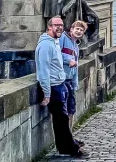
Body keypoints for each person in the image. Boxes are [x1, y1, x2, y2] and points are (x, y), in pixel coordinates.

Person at [36, 16, 84, 158]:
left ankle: (66, 147)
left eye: (61, 25)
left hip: (59, 84)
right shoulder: (45, 45)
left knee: (61, 119)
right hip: (53, 87)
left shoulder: (55, 42)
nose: (59, 28)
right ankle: (70, 148)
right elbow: (43, 71)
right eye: (56, 25)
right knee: (61, 119)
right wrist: (47, 93)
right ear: (49, 27)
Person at [60, 20, 87, 132]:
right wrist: (67, 60)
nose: (79, 31)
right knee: (63, 111)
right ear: (71, 29)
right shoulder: (63, 38)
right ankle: (65, 136)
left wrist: (75, 84)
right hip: (61, 80)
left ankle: (69, 134)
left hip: (70, 81)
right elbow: (55, 54)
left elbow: (75, 67)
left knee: (71, 109)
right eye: (77, 29)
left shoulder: (76, 46)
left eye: (81, 30)